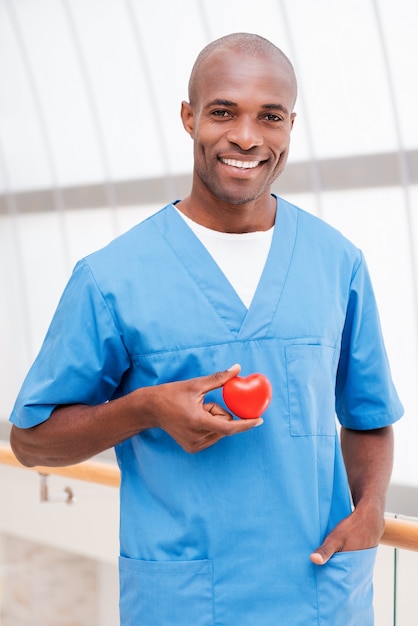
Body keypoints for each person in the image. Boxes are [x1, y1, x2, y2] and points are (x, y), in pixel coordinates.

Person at [9, 32, 403, 625]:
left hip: (321, 595)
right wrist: (144, 409)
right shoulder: (112, 277)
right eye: (224, 112)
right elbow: (31, 440)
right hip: (187, 604)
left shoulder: (337, 263)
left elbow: (368, 417)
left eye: (269, 117)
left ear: (290, 126)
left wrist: (371, 508)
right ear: (189, 117)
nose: (247, 136)